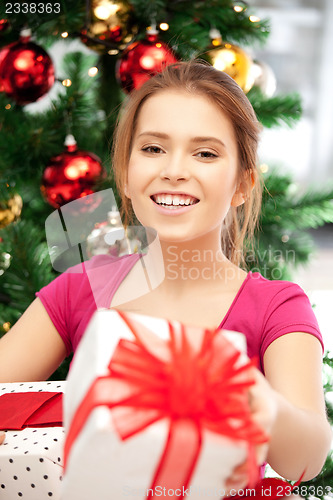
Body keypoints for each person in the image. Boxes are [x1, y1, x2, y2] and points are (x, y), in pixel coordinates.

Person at [0, 61, 331, 491]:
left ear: (242, 184)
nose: (174, 169)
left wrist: (263, 405)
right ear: (125, 172)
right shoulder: (78, 289)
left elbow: (308, 459)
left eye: (206, 153)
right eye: (153, 149)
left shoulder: (275, 308)